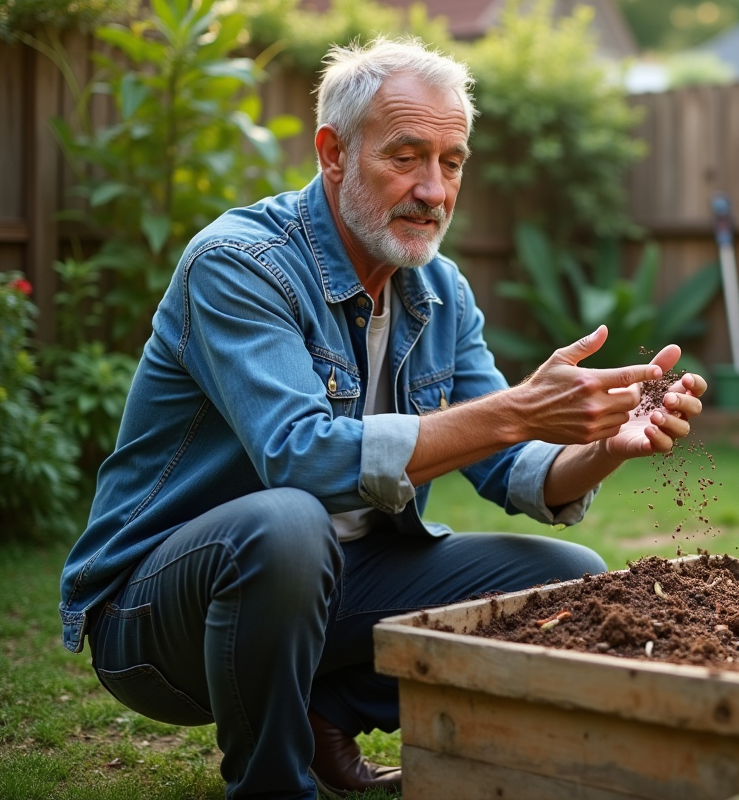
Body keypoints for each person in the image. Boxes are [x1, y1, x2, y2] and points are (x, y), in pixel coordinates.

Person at [58, 36, 706, 800]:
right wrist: (518, 409)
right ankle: (272, 785)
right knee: (287, 522)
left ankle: (327, 712)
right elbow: (301, 458)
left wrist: (604, 448)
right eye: (406, 156)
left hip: (327, 593)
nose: (434, 189)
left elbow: (508, 464)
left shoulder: (438, 290)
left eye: (452, 161)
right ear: (333, 153)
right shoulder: (238, 264)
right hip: (159, 617)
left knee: (571, 584)